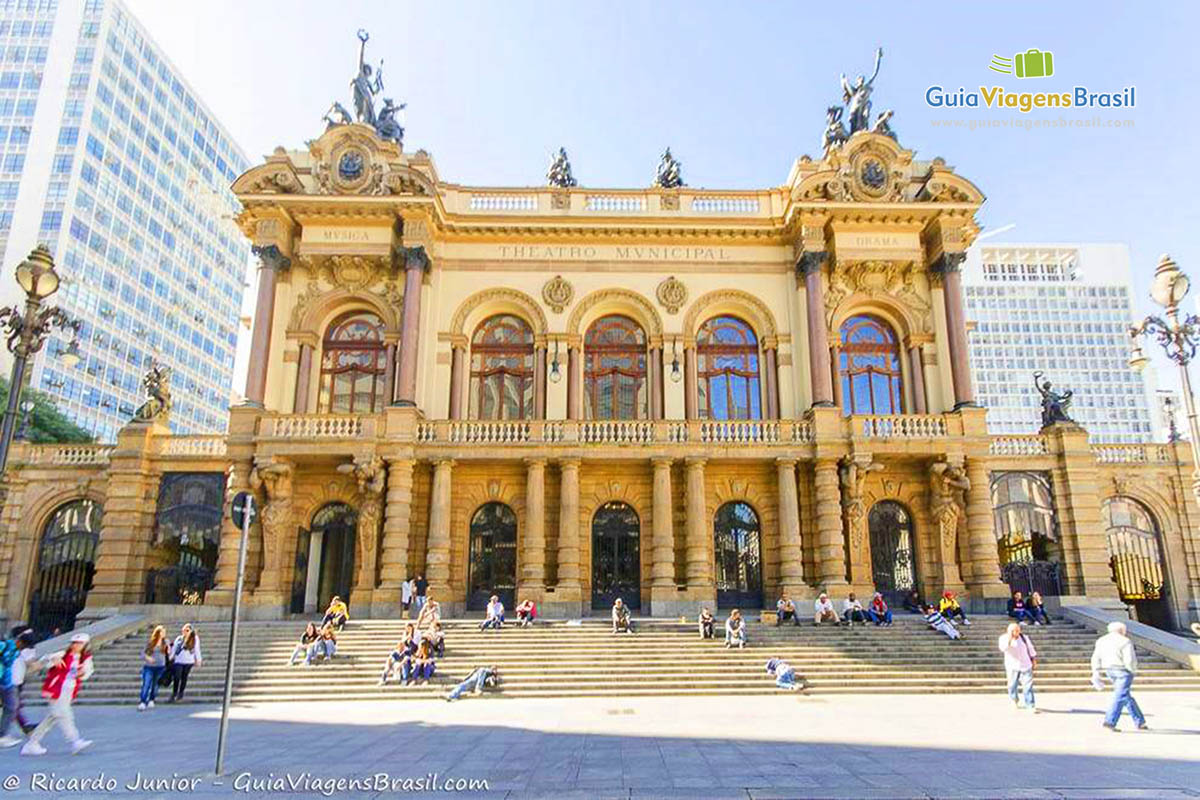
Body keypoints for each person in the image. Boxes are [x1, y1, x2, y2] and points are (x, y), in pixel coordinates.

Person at [21, 633, 93, 756]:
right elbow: (43, 662)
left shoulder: (85, 658)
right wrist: (50, 659)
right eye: (74, 643)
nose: (76, 645)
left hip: (69, 690)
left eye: (80, 643)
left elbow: (87, 672)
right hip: (55, 689)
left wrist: (82, 673)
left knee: (52, 717)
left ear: (85, 645)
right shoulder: (62, 655)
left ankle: (32, 743)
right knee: (65, 715)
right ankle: (75, 741)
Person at [1090, 620, 1146, 731]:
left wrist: (1095, 670)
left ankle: (1140, 722)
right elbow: (1129, 659)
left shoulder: (1102, 640)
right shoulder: (1125, 641)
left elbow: (1095, 657)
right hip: (1122, 671)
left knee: (1124, 695)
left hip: (1109, 670)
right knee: (1120, 695)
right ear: (1122, 630)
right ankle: (1110, 722)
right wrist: (1132, 670)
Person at [0, 629, 39, 745]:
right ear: (20, 641)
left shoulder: (16, 651)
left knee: (12, 707)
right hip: (6, 682)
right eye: (25, 645)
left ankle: (3, 734)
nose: (25, 648)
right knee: (12, 707)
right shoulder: (5, 645)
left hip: (8, 683)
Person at [999, 622, 1038, 711]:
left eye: (1018, 630)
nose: (1016, 632)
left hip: (1026, 664)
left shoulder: (1024, 638)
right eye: (1014, 631)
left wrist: (1033, 658)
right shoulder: (1003, 638)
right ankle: (1014, 700)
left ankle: (1030, 705)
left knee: (1028, 686)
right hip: (1012, 665)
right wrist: (1010, 639)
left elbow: (1030, 648)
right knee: (1012, 685)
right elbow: (1003, 648)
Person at [137, 626, 170, 711]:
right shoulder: (151, 642)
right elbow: (142, 654)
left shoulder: (166, 642)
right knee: (146, 684)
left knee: (155, 685)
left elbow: (169, 653)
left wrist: (169, 649)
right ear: (158, 633)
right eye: (163, 632)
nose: (164, 634)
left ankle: (151, 699)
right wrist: (148, 658)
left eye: (165, 632)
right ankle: (142, 702)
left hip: (160, 667)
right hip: (149, 667)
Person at [169, 624, 202, 702]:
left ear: (191, 631)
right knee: (177, 677)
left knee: (184, 677)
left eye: (187, 630)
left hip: (188, 661)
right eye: (183, 630)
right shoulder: (179, 638)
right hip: (178, 661)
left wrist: (198, 660)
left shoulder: (194, 639)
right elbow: (174, 648)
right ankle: (174, 693)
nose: (185, 632)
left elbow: (197, 649)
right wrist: (171, 657)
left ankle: (180, 693)